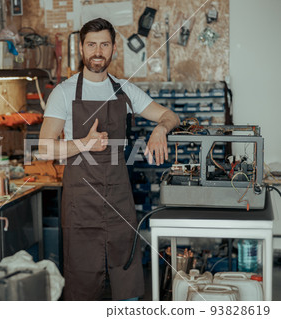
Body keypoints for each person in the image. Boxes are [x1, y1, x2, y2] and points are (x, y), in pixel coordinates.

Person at [38, 18, 179, 301]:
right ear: (82, 48)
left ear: (114, 48)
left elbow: (170, 115)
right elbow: (44, 147)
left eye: (104, 44)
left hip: (118, 201)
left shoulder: (124, 89)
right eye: (91, 44)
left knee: (124, 277)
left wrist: (161, 129)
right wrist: (84, 143)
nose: (98, 51)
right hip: (81, 204)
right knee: (83, 281)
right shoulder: (64, 92)